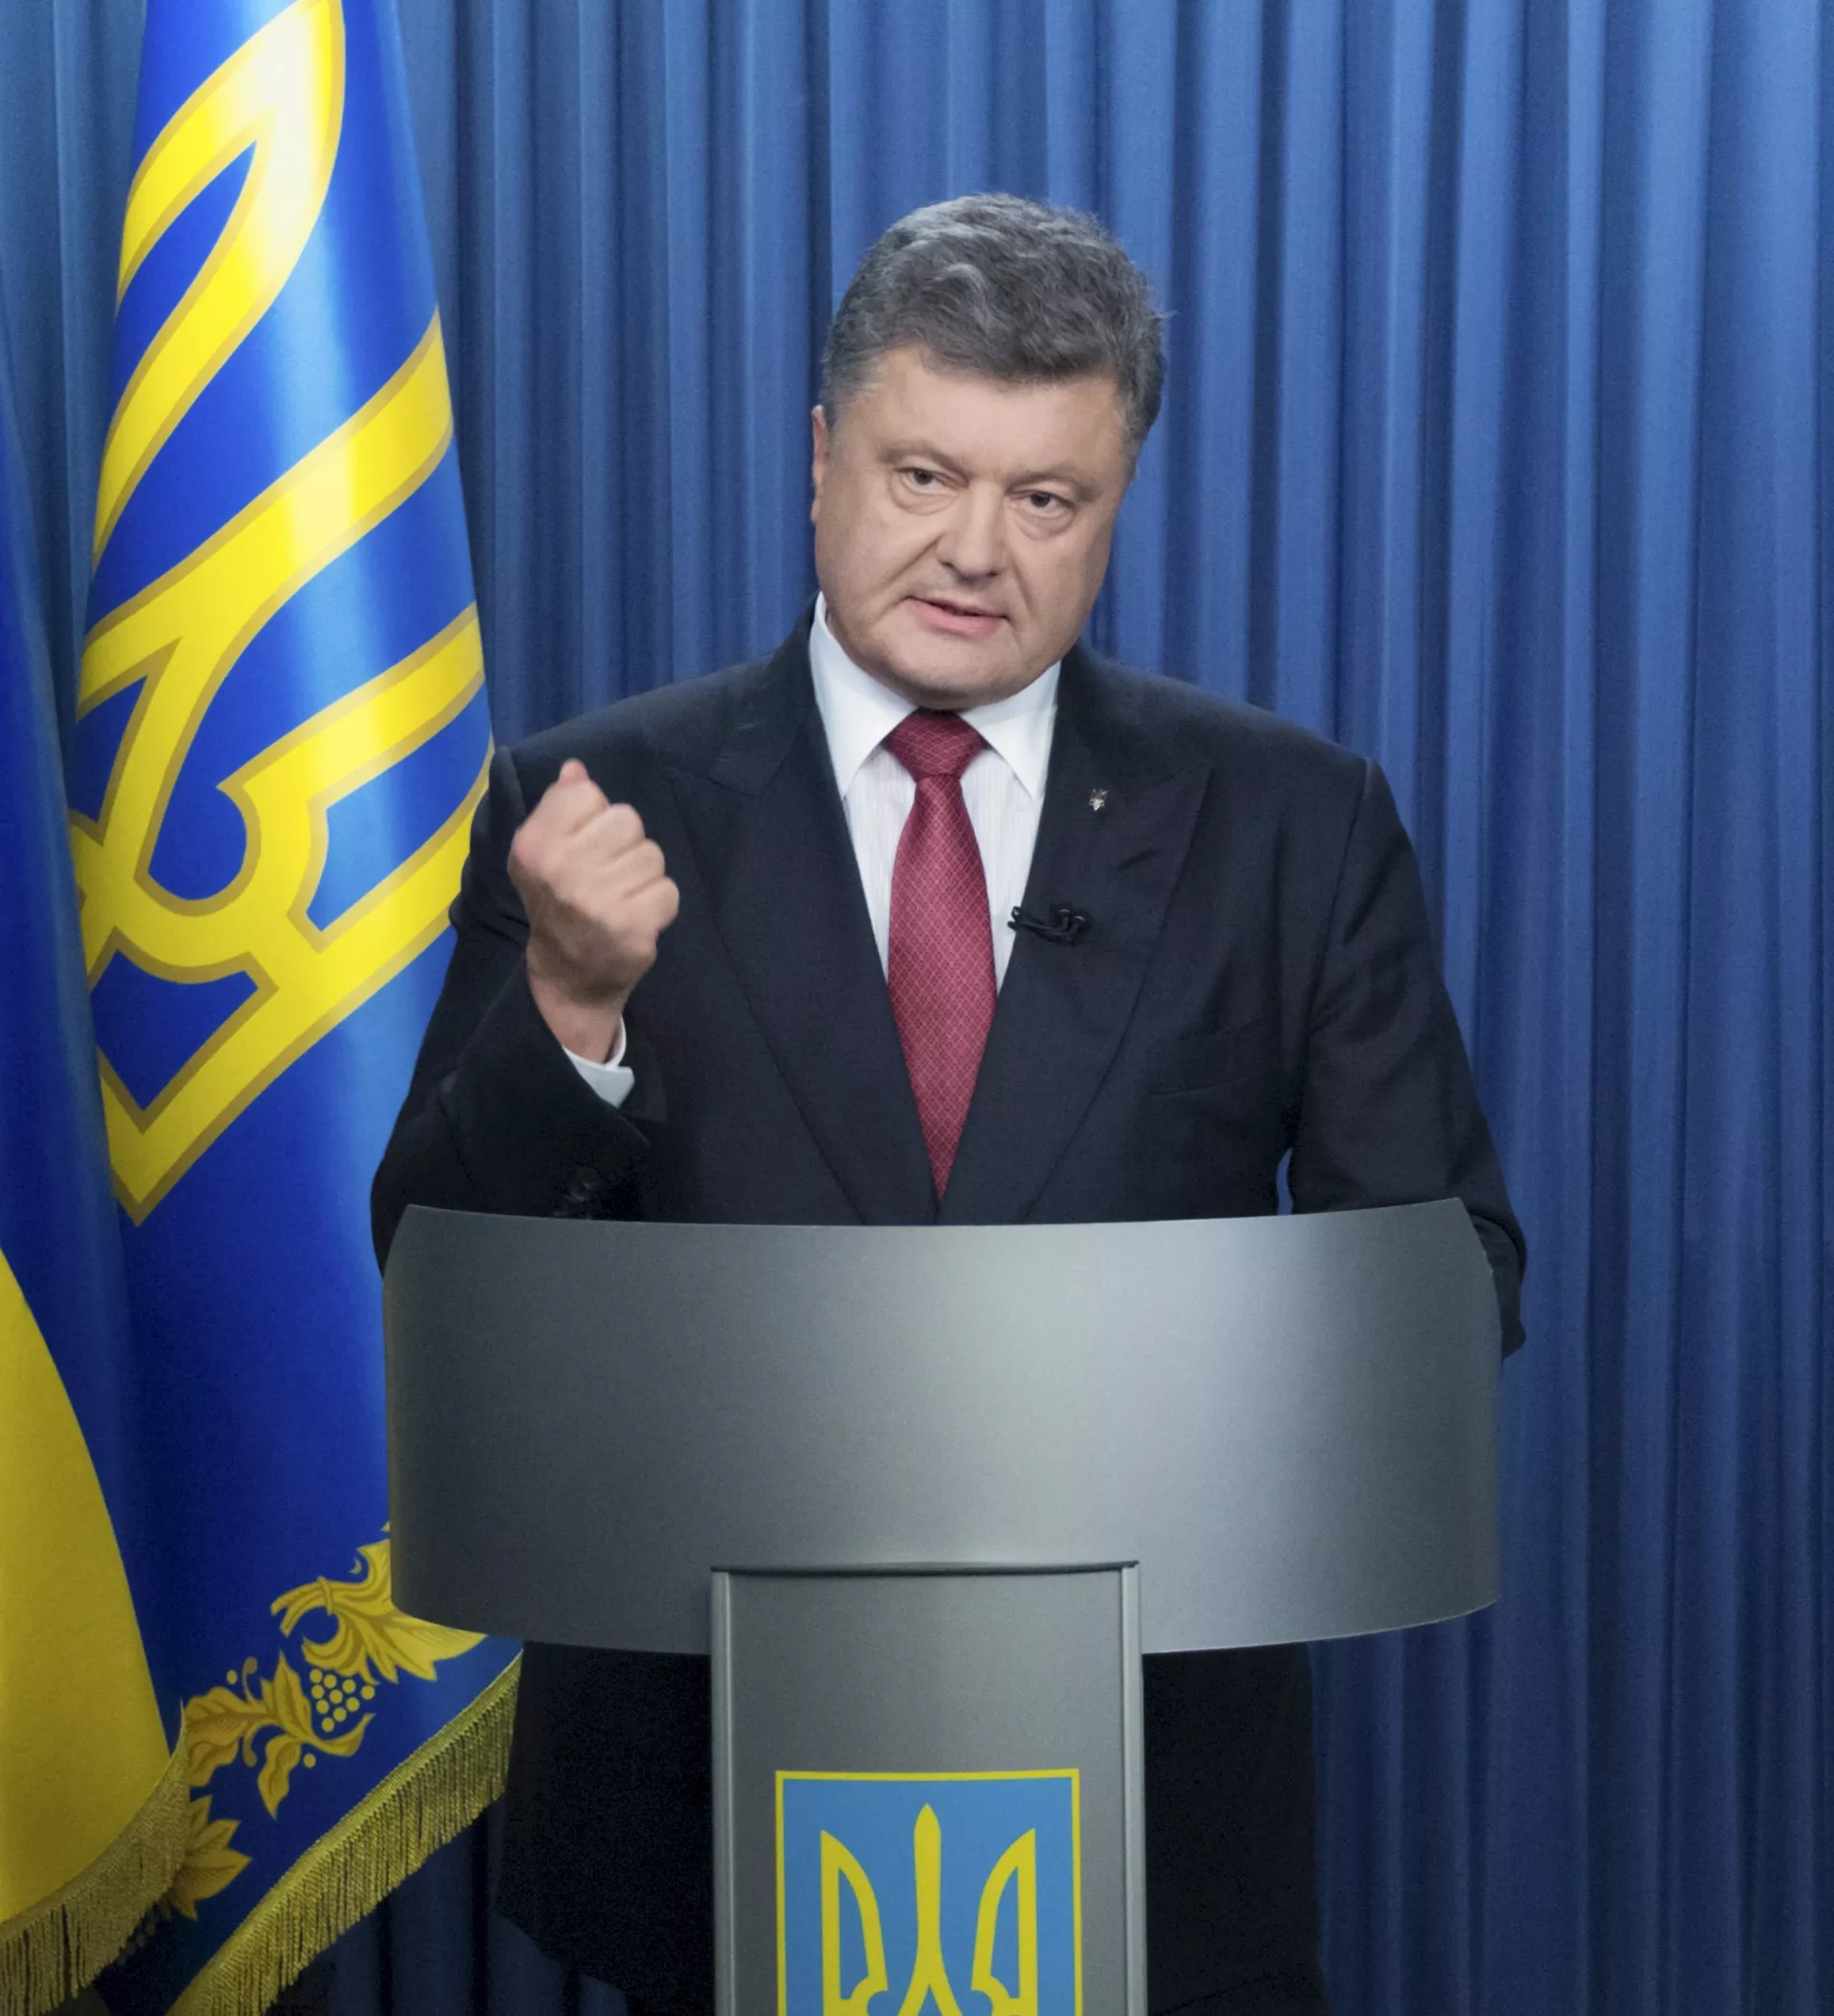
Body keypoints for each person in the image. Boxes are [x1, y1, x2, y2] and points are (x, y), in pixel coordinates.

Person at [373, 194, 1524, 2016]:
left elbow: (1448, 1274)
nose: (976, 549)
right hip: (701, 1800)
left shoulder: (1295, 825)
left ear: (1115, 502)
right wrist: (571, 1003)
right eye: (924, 476)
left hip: (1150, 1791)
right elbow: (437, 1265)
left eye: (1046, 498)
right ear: (823, 456)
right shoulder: (591, 803)